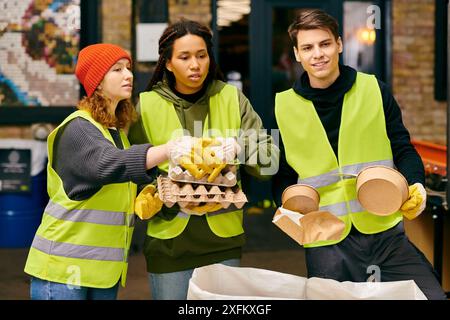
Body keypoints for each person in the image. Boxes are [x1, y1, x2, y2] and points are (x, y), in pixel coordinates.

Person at [273, 9, 446, 300]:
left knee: (430, 296)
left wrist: (415, 183)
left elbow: (402, 147)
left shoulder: (374, 90)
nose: (318, 54)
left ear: (339, 44)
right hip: (326, 242)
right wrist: (290, 211)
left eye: (325, 44)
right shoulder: (283, 107)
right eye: (308, 47)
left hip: (385, 234)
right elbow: (283, 176)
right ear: (297, 54)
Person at [128, 19, 279, 300]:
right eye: (184, 57)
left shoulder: (233, 98)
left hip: (222, 241)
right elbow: (132, 172)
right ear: (169, 63)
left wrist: (238, 146)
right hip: (169, 243)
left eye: (201, 55)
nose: (195, 64)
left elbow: (269, 162)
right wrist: (160, 195)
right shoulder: (146, 105)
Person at [24, 43, 170, 300]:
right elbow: (108, 164)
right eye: (117, 69)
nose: (128, 75)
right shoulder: (79, 129)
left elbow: (115, 191)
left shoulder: (116, 135)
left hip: (102, 272)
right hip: (64, 270)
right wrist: (171, 149)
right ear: (97, 82)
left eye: (128, 68)